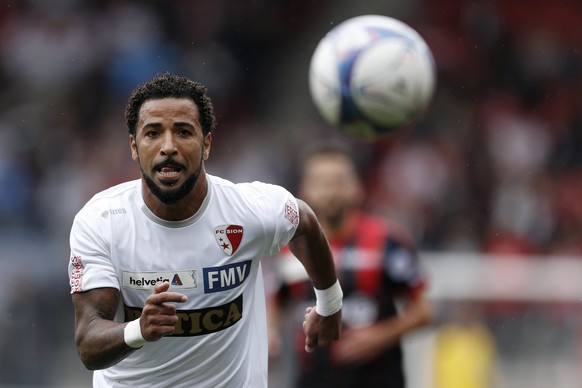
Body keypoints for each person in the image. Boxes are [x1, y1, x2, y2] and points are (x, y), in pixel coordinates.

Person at [67, 73, 342, 387]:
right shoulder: (101, 221)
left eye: (183, 132)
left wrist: (330, 304)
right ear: (134, 145)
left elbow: (304, 222)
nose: (168, 146)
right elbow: (88, 343)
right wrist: (138, 329)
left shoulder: (248, 210)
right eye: (153, 133)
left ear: (207, 143)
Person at [267, 141, 433, 388]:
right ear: (305, 191)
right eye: (322, 182)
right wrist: (270, 333)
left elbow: (424, 311)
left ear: (357, 188)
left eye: (339, 182)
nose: (331, 191)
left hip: (378, 379)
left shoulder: (386, 240)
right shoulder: (291, 248)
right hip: (313, 380)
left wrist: (379, 336)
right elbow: (275, 301)